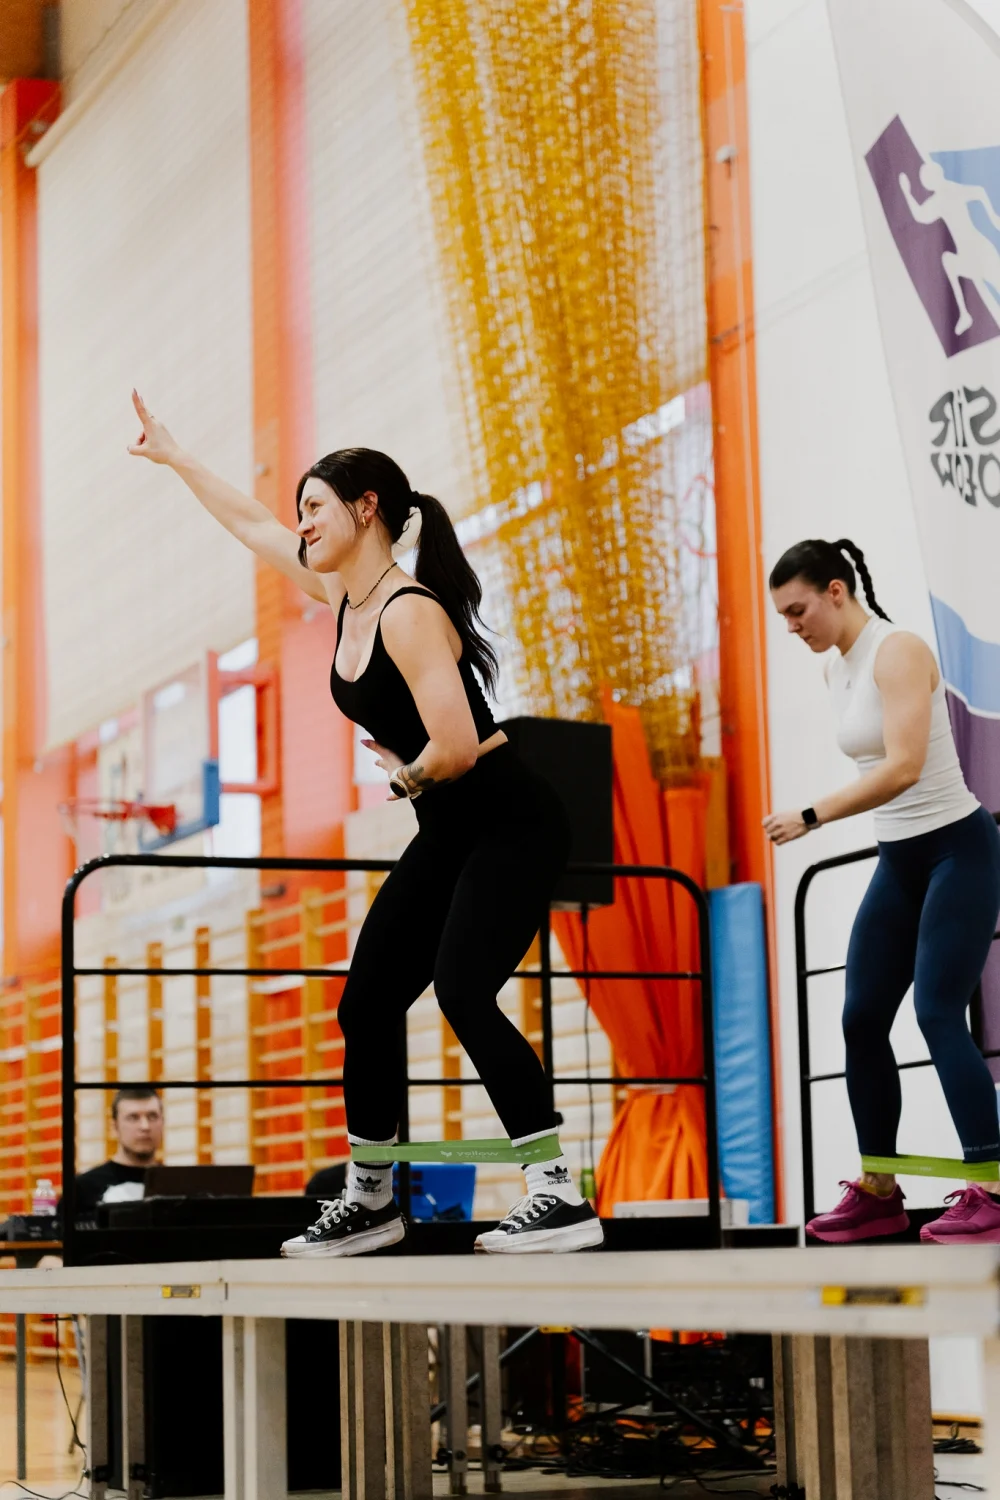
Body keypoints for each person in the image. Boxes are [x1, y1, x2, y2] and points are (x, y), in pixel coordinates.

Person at [127, 391, 603, 1257]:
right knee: (367, 1002)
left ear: (367, 508)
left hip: (510, 821)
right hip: (450, 830)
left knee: (462, 990)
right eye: (302, 509)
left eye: (315, 507)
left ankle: (556, 1192)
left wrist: (406, 775)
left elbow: (455, 747)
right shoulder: (339, 594)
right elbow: (250, 524)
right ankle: (372, 1199)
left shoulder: (409, 611)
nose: (301, 523)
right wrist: (177, 456)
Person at [767, 538, 1000, 1245]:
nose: (792, 626)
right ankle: (879, 1192)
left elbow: (902, 767)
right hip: (899, 859)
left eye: (798, 610)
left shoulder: (897, 651)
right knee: (861, 1017)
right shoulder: (835, 667)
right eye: (783, 617)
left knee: (936, 1012)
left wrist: (811, 815)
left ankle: (993, 1191)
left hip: (957, 850)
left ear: (836, 592)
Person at [74, 1087, 163, 1218]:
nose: (145, 1126)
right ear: (114, 1127)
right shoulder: (83, 1189)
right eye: (133, 1118)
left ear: (163, 1122)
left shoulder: (179, 1185)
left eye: (152, 1116)